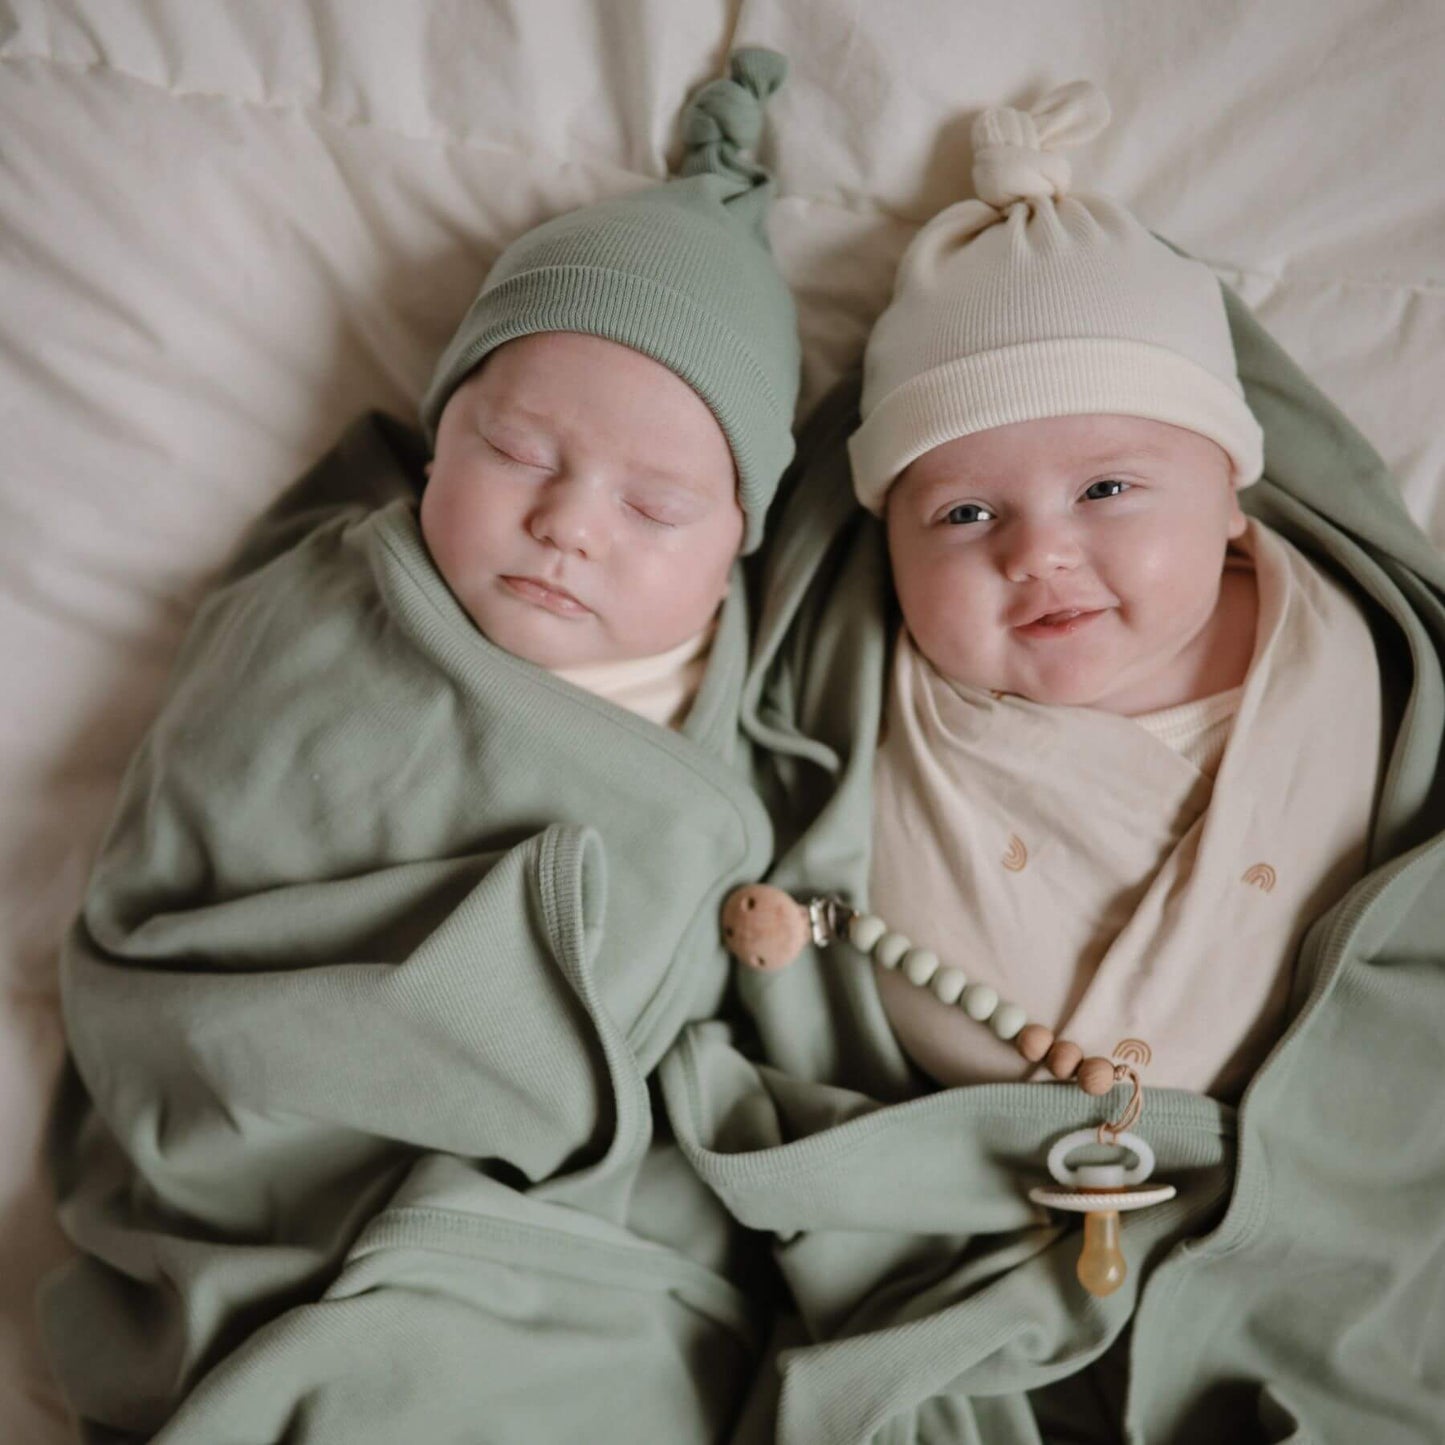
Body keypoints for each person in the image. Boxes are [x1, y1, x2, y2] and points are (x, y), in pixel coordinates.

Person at [659, 80, 1445, 1442]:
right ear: (885, 545)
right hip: (958, 1218)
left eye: (1108, 488)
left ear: (1229, 488)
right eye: (962, 511)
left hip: (1305, 1199)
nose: (1038, 550)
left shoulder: (1346, 657)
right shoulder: (864, 698)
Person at [40, 49, 798, 1444]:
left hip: (550, 1192)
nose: (570, 521)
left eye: (656, 505)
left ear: (739, 547)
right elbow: (193, 847)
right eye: (518, 451)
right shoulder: (328, 609)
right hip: (268, 1144)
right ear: (439, 436)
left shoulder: (750, 700)